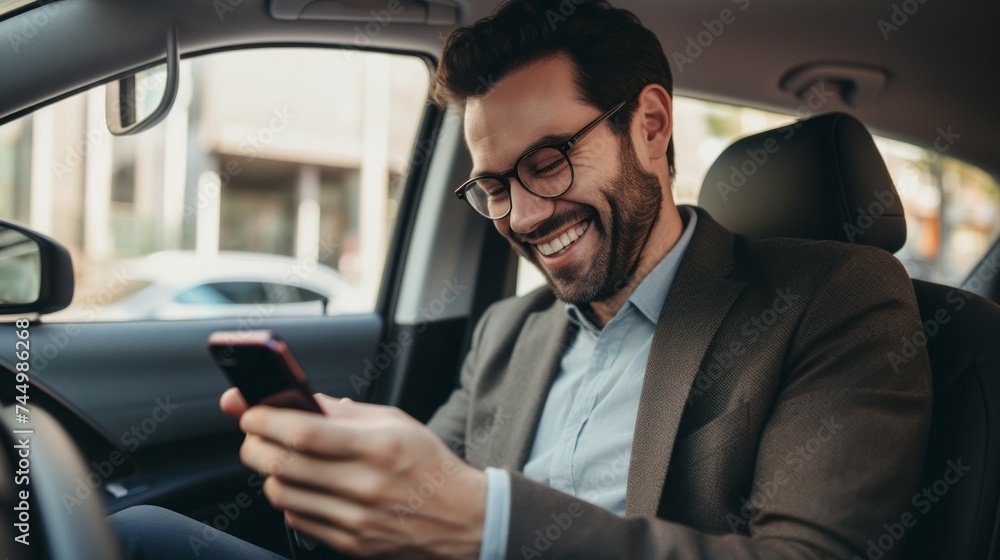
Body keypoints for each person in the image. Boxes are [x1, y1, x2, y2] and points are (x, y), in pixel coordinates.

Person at [111, 0, 932, 558]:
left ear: (649, 127)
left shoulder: (836, 299)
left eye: (548, 162)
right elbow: (412, 505)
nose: (525, 215)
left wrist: (491, 524)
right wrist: (334, 476)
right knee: (140, 533)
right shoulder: (511, 333)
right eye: (494, 186)